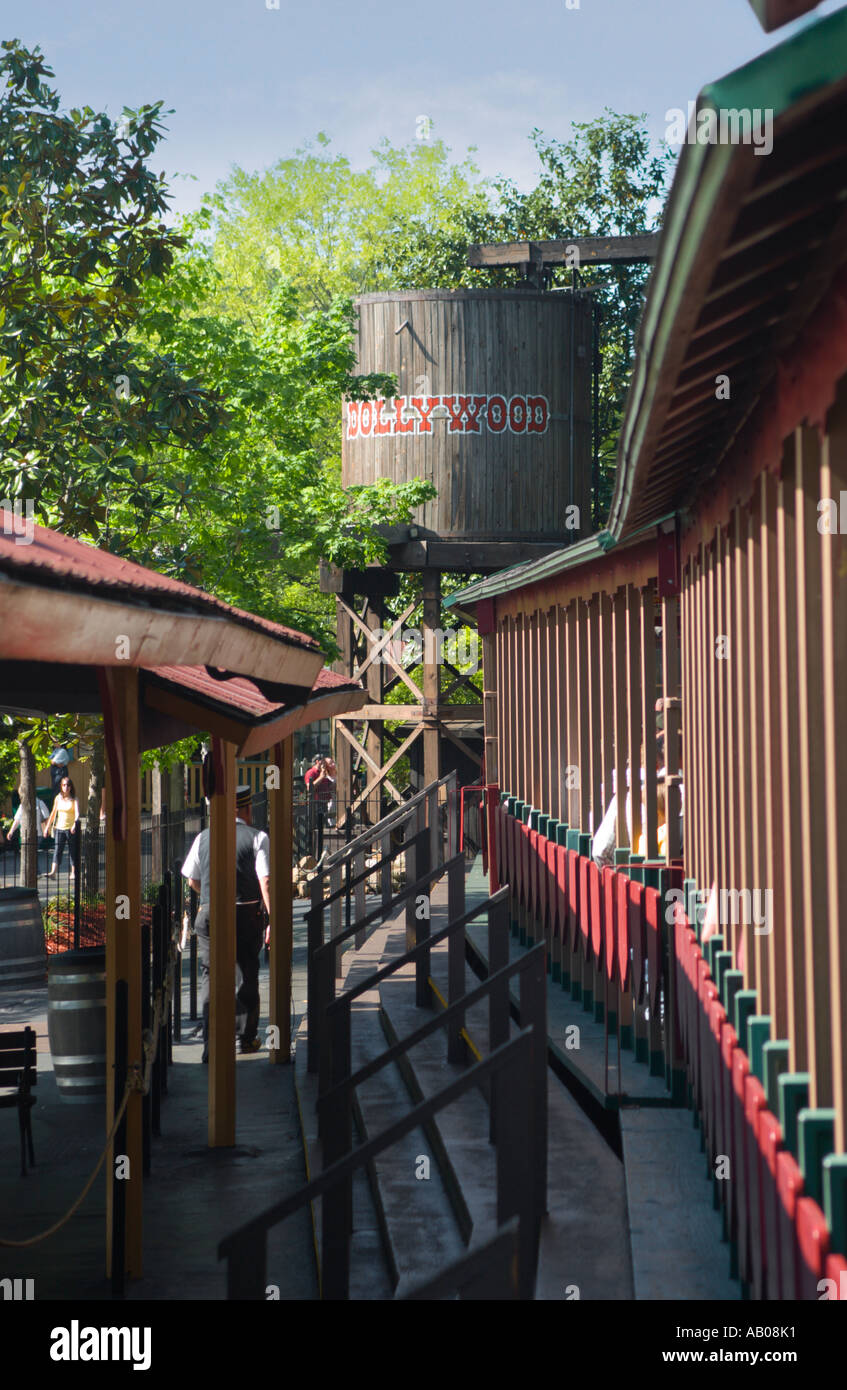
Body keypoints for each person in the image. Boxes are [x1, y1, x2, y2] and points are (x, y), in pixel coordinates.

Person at [181, 785, 271, 1062]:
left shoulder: (203, 838)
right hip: (244, 914)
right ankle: (245, 1039)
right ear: (246, 809)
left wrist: (208, 898)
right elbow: (264, 880)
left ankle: (211, 1043)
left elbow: (192, 880)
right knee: (245, 971)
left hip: (209, 914)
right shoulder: (258, 838)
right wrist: (272, 918)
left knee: (211, 975)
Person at [44, 776, 80, 878]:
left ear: (71, 787)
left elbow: (77, 814)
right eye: (64, 785)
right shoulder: (58, 798)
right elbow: (53, 813)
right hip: (59, 828)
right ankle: (53, 872)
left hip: (70, 829)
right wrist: (47, 827)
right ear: (61, 786)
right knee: (57, 850)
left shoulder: (74, 799)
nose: (66, 787)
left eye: (68, 785)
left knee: (73, 851)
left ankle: (73, 872)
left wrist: (74, 825)